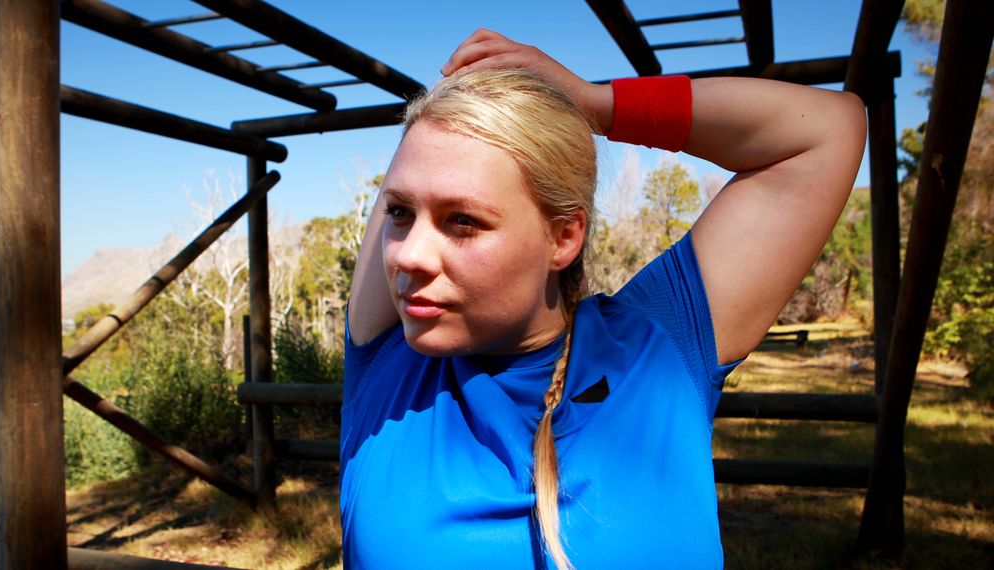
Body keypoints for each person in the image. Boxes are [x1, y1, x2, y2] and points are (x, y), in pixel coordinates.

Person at [341, 29, 865, 569]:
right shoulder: (388, 362)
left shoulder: (657, 347)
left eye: (464, 221)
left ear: (563, 237)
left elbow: (827, 127)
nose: (407, 257)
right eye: (400, 213)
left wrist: (597, 103)